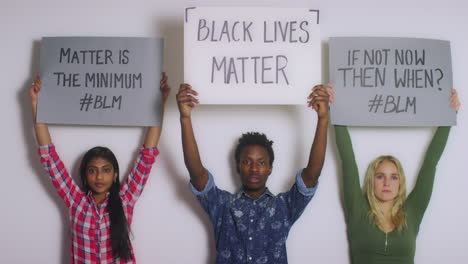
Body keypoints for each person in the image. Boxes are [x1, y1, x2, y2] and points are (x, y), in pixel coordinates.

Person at [176, 83, 330, 263]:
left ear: (270, 168)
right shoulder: (223, 205)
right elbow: (197, 173)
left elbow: (311, 175)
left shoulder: (283, 207)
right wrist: (185, 118)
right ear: (238, 167)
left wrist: (323, 119)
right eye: (247, 162)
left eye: (261, 162)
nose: (254, 168)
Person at [30, 73, 170, 264]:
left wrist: (159, 102)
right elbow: (49, 157)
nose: (99, 176)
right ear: (85, 175)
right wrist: (37, 104)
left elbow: (147, 154)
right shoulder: (75, 202)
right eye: (92, 170)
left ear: (114, 175)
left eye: (106, 170)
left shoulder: (125, 199)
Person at [332, 88, 460, 264]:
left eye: (394, 177)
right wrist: (336, 109)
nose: (387, 183)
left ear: (400, 183)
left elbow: (431, 163)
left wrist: (448, 116)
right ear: (371, 181)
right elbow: (347, 159)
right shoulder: (358, 212)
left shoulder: (412, 213)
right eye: (380, 176)